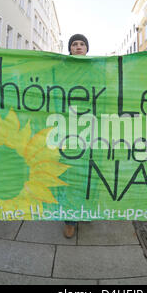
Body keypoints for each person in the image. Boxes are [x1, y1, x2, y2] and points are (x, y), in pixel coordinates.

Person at [63, 34, 89, 239]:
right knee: (71, 175)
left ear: (87, 49)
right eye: (74, 44)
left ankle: (88, 210)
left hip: (93, 129)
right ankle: (70, 220)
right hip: (68, 128)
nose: (78, 47)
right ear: (69, 49)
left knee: (90, 175)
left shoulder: (95, 68)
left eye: (82, 44)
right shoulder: (63, 69)